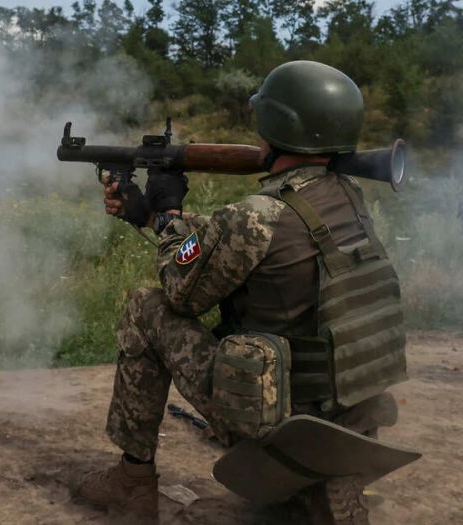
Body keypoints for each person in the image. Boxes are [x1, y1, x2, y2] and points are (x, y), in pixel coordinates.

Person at [76, 60, 407, 524]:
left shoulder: (257, 216)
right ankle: (312, 487)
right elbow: (231, 243)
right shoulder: (349, 194)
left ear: (275, 126)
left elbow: (181, 292)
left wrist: (168, 212)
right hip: (347, 412)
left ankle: (132, 484)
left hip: (280, 416)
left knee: (144, 307)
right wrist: (152, 217)